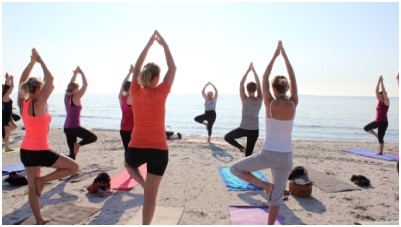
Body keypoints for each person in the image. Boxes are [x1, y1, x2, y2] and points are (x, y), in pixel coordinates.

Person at [230, 41, 298, 225]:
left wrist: (276, 55)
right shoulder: (293, 103)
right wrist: (285, 57)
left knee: (235, 169)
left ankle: (265, 185)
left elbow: (265, 76)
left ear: (274, 89)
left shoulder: (270, 103)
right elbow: (293, 77)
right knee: (276, 198)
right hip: (286, 158)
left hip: (268, 154)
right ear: (288, 88)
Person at [18, 48, 79, 225]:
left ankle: (39, 220)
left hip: (26, 150)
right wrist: (40, 60)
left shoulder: (23, 101)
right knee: (74, 167)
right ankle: (43, 180)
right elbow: (51, 80)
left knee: (32, 187)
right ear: (38, 90)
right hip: (39, 150)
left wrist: (31, 64)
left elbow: (22, 80)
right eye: (42, 87)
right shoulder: (38, 102)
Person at [124, 30, 176, 225]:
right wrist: (165, 46)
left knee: (128, 165)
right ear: (156, 79)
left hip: (137, 146)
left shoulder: (135, 91)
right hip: (159, 150)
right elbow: (173, 68)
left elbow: (136, 67)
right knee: (150, 198)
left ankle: (143, 183)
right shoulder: (161, 92)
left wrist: (147, 46)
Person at [224, 63, 262, 157]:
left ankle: (241, 148)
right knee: (248, 156)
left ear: (247, 89)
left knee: (227, 137)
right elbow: (259, 85)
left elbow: (241, 83)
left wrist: (248, 70)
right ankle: (246, 164)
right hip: (254, 130)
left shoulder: (244, 99)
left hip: (244, 128)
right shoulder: (260, 99)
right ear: (256, 89)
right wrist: (254, 72)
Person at [63, 66, 97, 160]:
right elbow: (85, 85)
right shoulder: (75, 97)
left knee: (72, 153)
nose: (78, 90)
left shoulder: (67, 96)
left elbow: (70, 84)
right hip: (74, 127)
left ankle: (72, 171)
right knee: (93, 138)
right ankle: (78, 144)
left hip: (67, 127)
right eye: (77, 89)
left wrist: (75, 74)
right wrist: (81, 73)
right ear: (75, 89)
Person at [363, 75, 389, 155]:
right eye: (380, 96)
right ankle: (376, 135)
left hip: (383, 123)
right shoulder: (379, 101)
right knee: (366, 128)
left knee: (381, 137)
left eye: (382, 96)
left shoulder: (386, 102)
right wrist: (378, 81)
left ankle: (381, 152)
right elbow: (376, 91)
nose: (380, 97)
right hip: (377, 121)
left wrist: (382, 82)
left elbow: (383, 92)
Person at [119, 64, 134, 156]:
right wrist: (133, 73)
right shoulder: (130, 99)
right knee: (131, 151)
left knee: (127, 150)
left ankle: (129, 167)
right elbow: (134, 86)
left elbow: (123, 85)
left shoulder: (121, 98)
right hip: (130, 130)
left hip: (123, 129)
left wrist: (129, 73)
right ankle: (131, 168)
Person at [2, 73, 18, 151]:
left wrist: (7, 79)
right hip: (6, 117)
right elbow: (11, 87)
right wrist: (12, 80)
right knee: (14, 127)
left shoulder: (3, 95)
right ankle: (5, 137)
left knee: (8, 130)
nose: (10, 90)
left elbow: (6, 86)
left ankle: (7, 147)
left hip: (7, 116)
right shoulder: (5, 96)